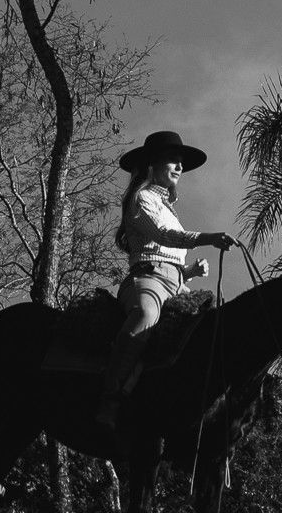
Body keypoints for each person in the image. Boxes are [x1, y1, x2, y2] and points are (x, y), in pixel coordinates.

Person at [95, 130, 236, 430]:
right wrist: (208, 238)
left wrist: (189, 272)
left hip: (176, 286)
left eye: (181, 162)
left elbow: (169, 256)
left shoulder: (170, 210)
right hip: (147, 280)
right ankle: (109, 398)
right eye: (173, 159)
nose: (180, 167)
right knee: (146, 315)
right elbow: (162, 235)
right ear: (152, 164)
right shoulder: (142, 198)